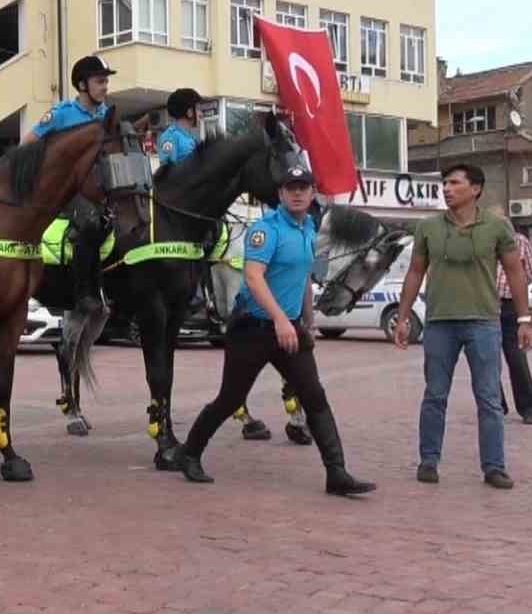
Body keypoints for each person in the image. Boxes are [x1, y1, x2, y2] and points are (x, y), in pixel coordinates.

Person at [161, 165, 376, 495]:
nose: (297, 193)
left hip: (289, 329)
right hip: (253, 328)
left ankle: (337, 473)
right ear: (280, 194)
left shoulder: (308, 229)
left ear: (312, 193)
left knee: (314, 396)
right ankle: (189, 455)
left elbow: (304, 276)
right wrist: (279, 319)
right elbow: (254, 277)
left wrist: (307, 321)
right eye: (291, 188)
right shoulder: (266, 230)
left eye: (303, 187)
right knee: (231, 398)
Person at [394, 163, 532, 490]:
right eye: (444, 183)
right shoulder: (428, 227)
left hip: (484, 322)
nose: (446, 188)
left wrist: (525, 320)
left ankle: (494, 467)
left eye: (454, 183)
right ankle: (429, 460)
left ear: (475, 189)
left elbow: (515, 272)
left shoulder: (498, 227)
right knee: (434, 395)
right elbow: (415, 271)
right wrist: (402, 317)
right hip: (440, 323)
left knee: (488, 397)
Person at [22, 55, 115, 311]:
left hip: (99, 189)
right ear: (83, 85)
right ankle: (84, 293)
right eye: (100, 81)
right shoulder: (62, 114)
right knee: (91, 220)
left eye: (106, 81)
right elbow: (27, 144)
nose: (105, 87)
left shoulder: (107, 115)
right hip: (67, 190)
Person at [495, 230, 532, 424]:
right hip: (486, 304)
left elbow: (529, 273)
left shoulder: (520, 242)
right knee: (487, 358)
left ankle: (528, 408)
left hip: (509, 305)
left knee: (516, 358)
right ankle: (496, 405)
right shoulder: (481, 239)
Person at [156, 88, 204, 167]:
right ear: (190, 112)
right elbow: (166, 172)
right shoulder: (170, 136)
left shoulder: (191, 137)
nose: (201, 114)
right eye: (198, 109)